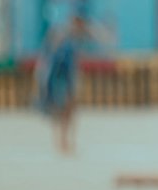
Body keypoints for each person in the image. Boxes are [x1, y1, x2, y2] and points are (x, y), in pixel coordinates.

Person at [35, 12, 107, 155]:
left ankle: (66, 140)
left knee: (70, 109)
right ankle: (61, 140)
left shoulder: (74, 36)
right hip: (58, 75)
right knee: (60, 109)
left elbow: (101, 38)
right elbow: (49, 57)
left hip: (68, 75)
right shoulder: (62, 34)